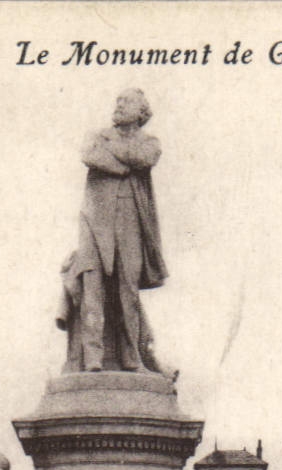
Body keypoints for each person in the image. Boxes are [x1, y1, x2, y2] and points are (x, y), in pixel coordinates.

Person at [59, 89, 168, 374]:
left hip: (130, 219)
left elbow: (145, 158)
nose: (118, 106)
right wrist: (123, 167)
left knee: (128, 289)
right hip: (94, 219)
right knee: (92, 285)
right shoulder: (97, 136)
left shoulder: (149, 142)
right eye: (117, 101)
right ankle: (92, 357)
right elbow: (89, 155)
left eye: (125, 102)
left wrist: (113, 154)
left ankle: (132, 358)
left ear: (141, 112)